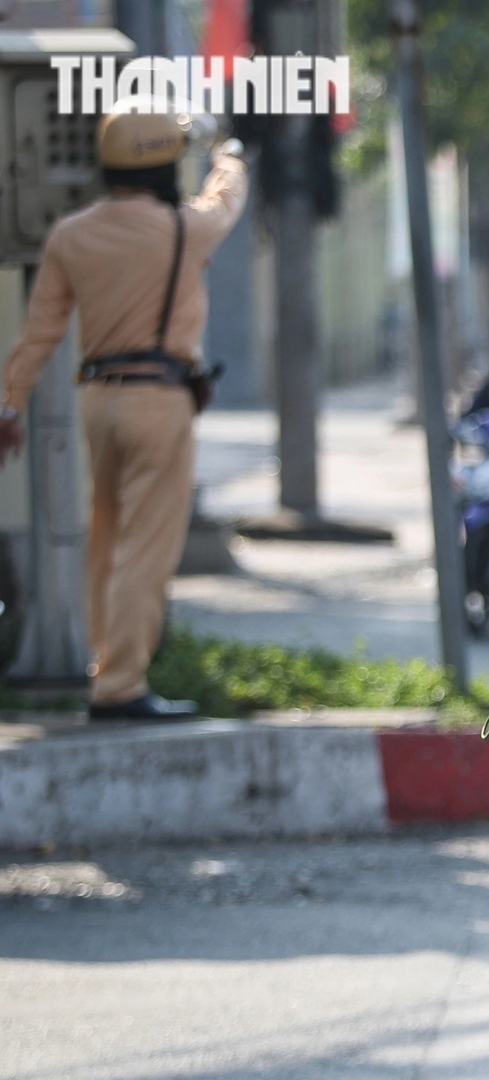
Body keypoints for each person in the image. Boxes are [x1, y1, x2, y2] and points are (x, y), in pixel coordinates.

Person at [0, 109, 246, 720]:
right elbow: (227, 201)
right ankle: (121, 687)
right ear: (163, 163)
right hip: (159, 402)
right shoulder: (183, 228)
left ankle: (100, 666)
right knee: (145, 549)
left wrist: (10, 404)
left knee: (104, 541)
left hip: (99, 402)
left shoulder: (71, 234)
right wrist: (229, 154)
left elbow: (39, 331)